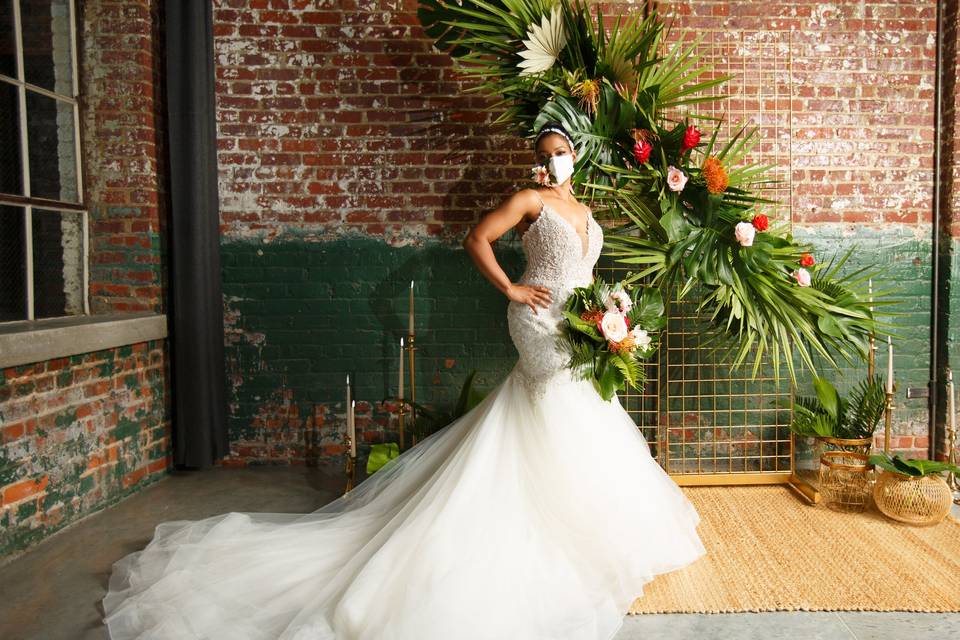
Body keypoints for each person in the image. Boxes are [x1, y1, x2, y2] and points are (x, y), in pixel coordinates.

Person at [100, 121, 707, 640]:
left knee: (580, 407)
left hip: (580, 323)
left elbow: (583, 266)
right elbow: (477, 239)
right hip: (536, 319)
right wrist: (512, 288)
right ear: (537, 161)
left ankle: (592, 521)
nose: (553, 160)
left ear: (576, 154)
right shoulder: (528, 199)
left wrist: (608, 316)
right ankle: (563, 528)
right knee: (555, 402)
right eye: (544, 153)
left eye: (561, 151)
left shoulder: (586, 209)